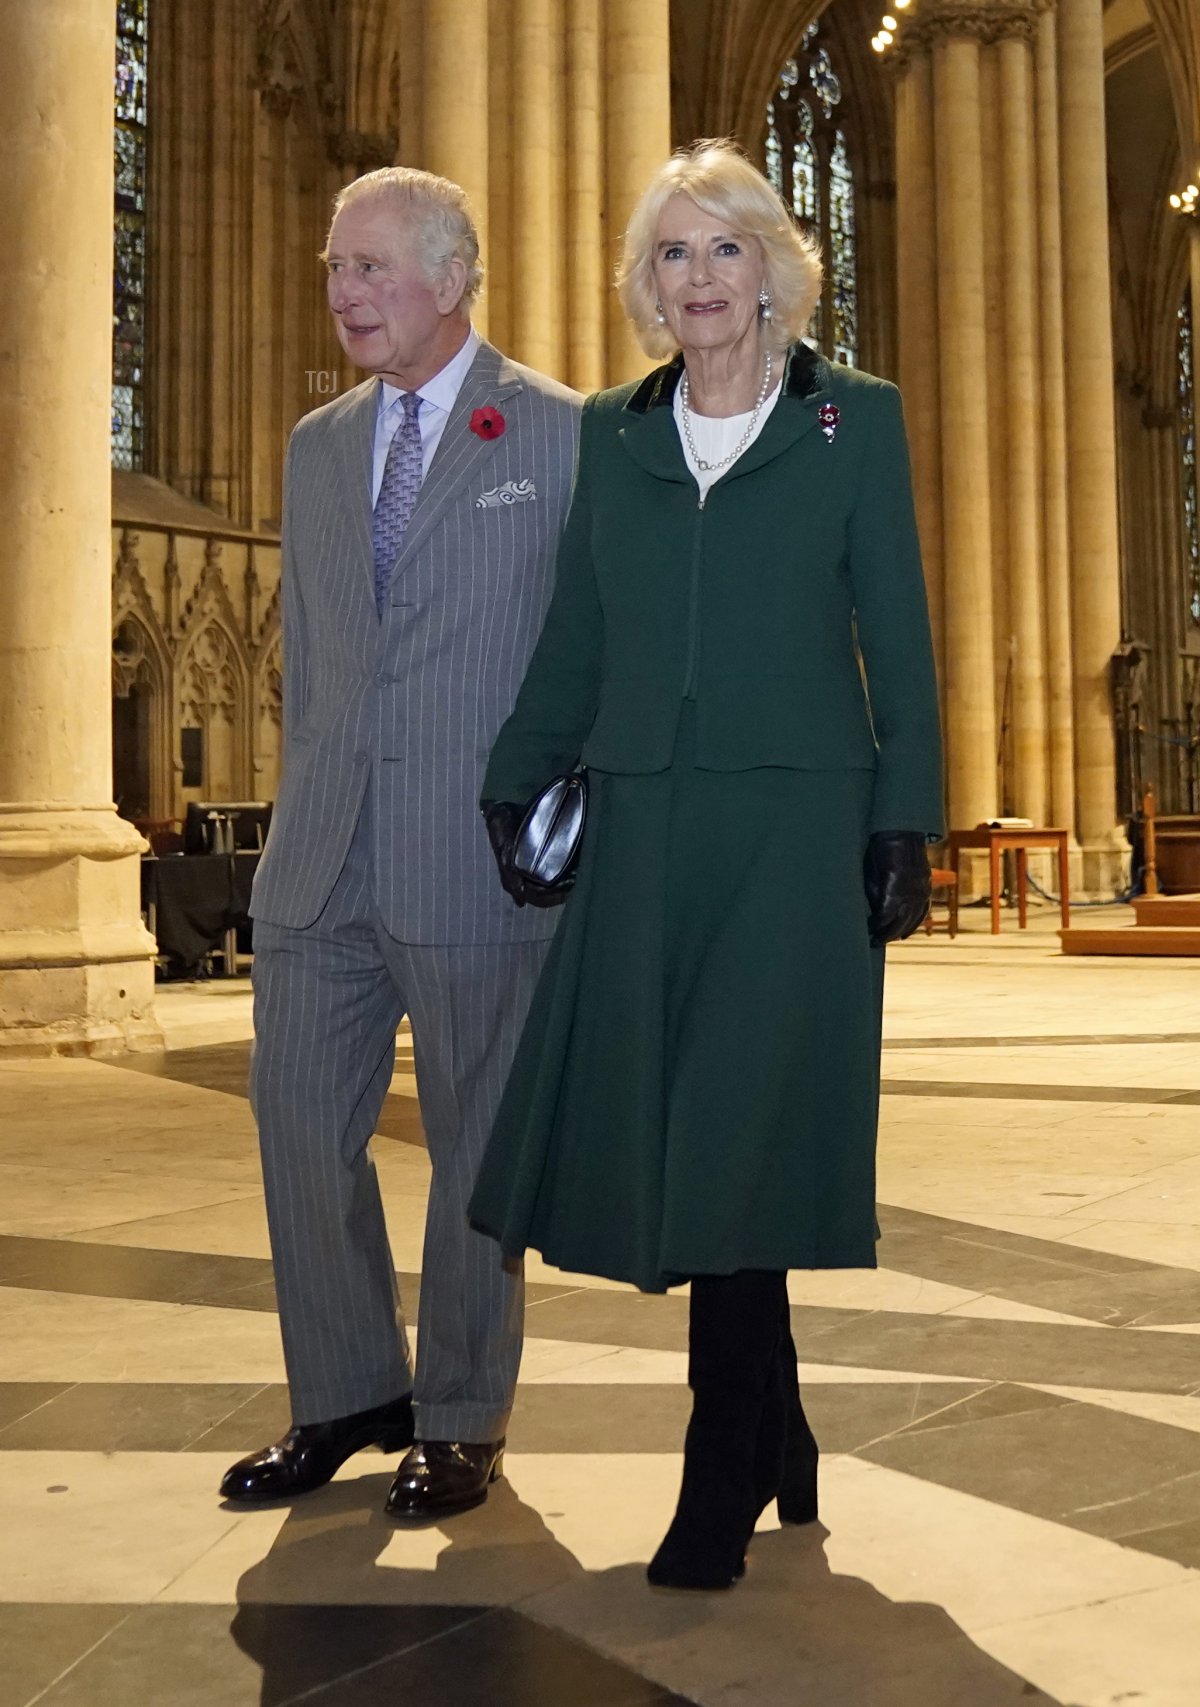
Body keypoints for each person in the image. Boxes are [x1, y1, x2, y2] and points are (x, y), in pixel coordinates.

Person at [471, 140, 944, 1589]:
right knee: (689, 1132)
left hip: (797, 828)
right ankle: (782, 1427)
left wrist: (903, 817)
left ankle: (720, 1472)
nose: (698, 279)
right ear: (645, 282)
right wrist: (514, 781)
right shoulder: (614, 432)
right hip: (649, 821)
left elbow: (899, 635)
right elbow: (579, 631)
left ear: (775, 271)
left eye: (723, 249)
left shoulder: (851, 422)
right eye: (671, 254)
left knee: (741, 1129)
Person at [220, 168, 580, 1522]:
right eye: (334, 268)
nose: (343, 292)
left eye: (369, 267)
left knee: (477, 1144)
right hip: (323, 855)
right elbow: (312, 660)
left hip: (473, 855)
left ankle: (464, 1412)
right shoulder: (316, 445)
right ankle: (346, 1391)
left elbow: (584, 648)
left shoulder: (555, 434)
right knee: (300, 1127)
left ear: (450, 275)